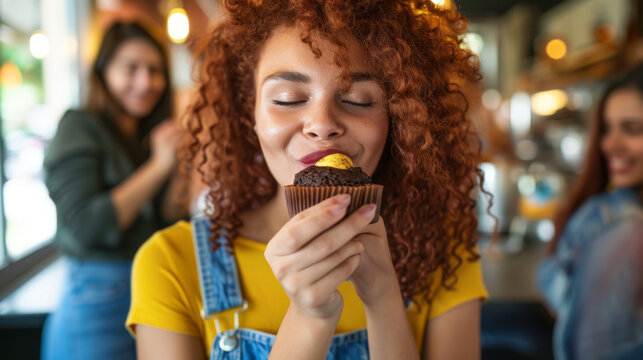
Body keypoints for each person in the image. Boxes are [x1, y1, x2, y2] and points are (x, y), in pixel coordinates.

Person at [127, 1, 488, 358]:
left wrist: (383, 299)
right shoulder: (170, 264)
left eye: (359, 100)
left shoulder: (444, 252)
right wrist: (310, 317)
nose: (322, 123)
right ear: (248, 114)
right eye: (287, 99)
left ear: (397, 118)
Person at [41, 21, 187, 360]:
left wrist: (182, 164)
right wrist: (159, 166)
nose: (145, 82)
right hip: (98, 299)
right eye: (131, 69)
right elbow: (85, 225)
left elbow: (167, 217)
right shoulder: (79, 125)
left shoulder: (148, 135)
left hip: (150, 289)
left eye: (155, 70)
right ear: (103, 72)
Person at [537, 62, 643, 360]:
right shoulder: (622, 224)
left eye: (632, 129)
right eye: (607, 128)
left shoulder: (616, 217)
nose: (610, 143)